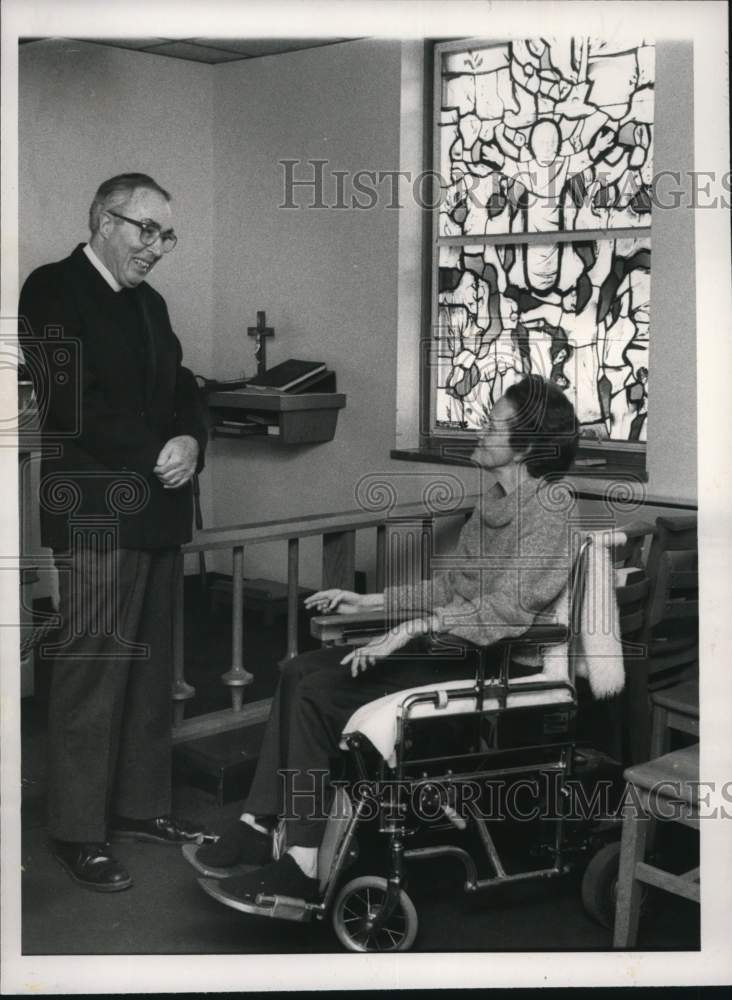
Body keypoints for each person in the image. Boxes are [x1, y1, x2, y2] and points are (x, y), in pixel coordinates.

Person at [190, 375, 578, 908]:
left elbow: (508, 609)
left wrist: (410, 630)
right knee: (299, 670)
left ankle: (302, 863)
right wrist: (368, 602)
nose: (480, 431)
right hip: (453, 644)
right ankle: (259, 823)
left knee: (320, 693)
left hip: (492, 658)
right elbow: (449, 588)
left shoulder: (550, 508)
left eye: (493, 425)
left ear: (529, 445)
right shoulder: (494, 501)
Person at [19, 173, 210, 892]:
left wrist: (191, 439)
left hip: (157, 511)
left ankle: (137, 807)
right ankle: (77, 829)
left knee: (150, 671)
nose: (157, 248)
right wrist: (155, 451)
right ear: (103, 220)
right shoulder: (52, 289)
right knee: (92, 675)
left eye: (167, 235)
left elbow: (184, 385)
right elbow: (74, 403)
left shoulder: (150, 304)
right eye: (146, 230)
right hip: (98, 514)